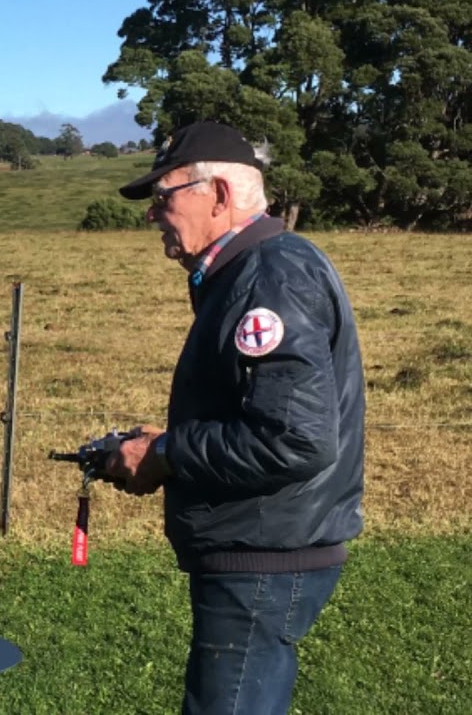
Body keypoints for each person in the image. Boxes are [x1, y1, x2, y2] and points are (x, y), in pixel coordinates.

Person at [104, 121, 365, 715]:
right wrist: (167, 441)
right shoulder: (258, 269)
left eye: (162, 197)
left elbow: (293, 439)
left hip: (265, 553)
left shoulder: (270, 277)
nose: (153, 216)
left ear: (217, 195)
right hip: (267, 541)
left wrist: (169, 454)